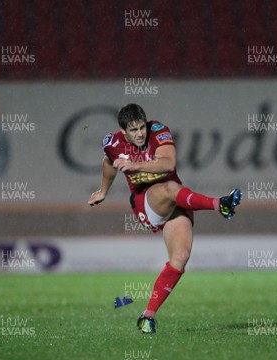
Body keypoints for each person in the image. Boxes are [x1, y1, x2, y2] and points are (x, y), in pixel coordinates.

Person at [88, 103, 242, 334]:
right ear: (123, 131)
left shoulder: (158, 130)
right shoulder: (113, 143)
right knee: (169, 187)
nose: (140, 133)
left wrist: (135, 165)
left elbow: (168, 163)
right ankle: (219, 204)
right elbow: (109, 163)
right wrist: (103, 191)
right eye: (133, 130)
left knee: (180, 258)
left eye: (141, 127)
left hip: (176, 201)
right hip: (145, 203)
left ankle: (147, 316)